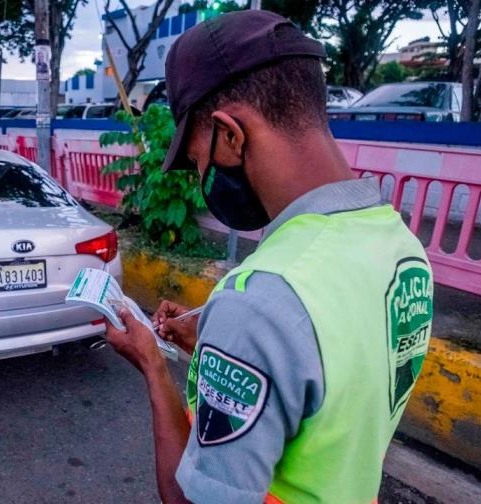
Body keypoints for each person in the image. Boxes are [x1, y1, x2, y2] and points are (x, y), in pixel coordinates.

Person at [103, 11, 433, 504]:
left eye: (197, 160)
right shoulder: (402, 248)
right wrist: (214, 345)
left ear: (231, 135)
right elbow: (331, 378)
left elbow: (186, 498)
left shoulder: (262, 297)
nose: (201, 177)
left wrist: (153, 364)